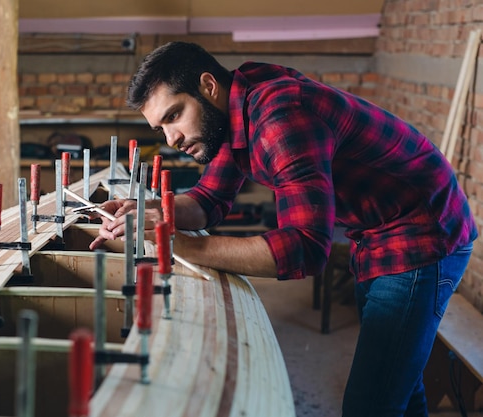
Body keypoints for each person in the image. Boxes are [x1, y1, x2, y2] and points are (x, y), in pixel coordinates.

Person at [89, 41, 478, 416]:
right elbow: (209, 200)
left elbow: (305, 248)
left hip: (422, 232)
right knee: (400, 385)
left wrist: (174, 245)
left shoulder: (279, 117)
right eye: (161, 128)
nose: (171, 139)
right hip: (375, 230)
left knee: (371, 405)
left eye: (174, 116)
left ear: (208, 86)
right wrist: (148, 211)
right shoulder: (229, 110)